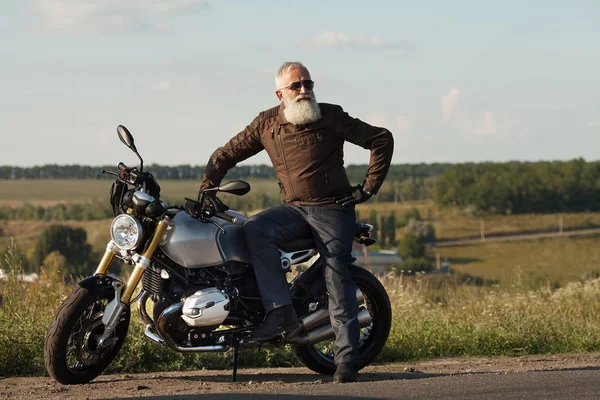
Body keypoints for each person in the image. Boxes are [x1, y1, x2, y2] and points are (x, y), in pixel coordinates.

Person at [199, 61, 394, 383]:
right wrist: (207, 188)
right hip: (294, 210)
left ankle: (346, 361)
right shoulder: (267, 124)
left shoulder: (331, 116)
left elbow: (381, 139)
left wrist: (367, 188)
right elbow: (225, 154)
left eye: (308, 84)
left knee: (337, 275)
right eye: (296, 86)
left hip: (334, 209)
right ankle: (280, 313)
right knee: (253, 229)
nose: (304, 91)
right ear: (280, 94)